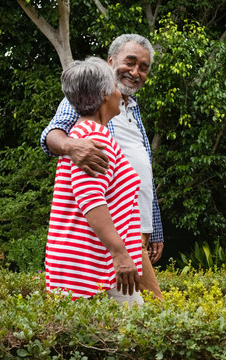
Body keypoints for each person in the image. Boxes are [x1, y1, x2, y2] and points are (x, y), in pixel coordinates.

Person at [40, 34, 163, 300]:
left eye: (143, 67)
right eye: (130, 62)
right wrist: (72, 146)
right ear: (110, 64)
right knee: (147, 314)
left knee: (140, 315)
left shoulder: (132, 109)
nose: (135, 71)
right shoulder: (90, 111)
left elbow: (144, 173)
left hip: (132, 227)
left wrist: (154, 227)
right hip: (109, 235)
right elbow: (53, 134)